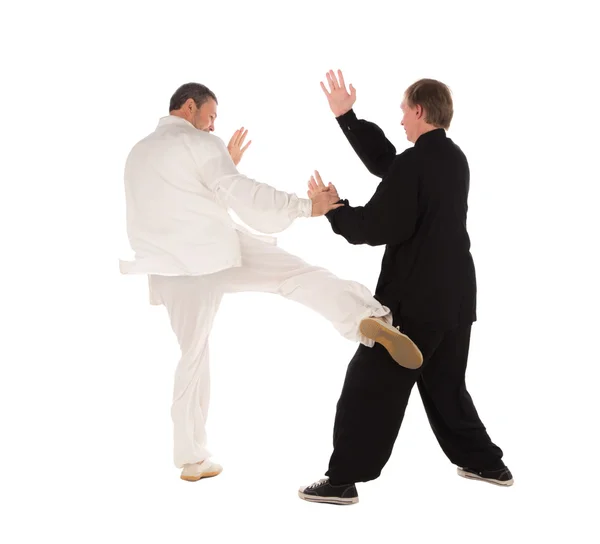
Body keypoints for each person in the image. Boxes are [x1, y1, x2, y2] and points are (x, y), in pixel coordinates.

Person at [119, 82, 424, 483]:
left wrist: (221, 165)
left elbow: (178, 201)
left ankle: (192, 459)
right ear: (189, 107)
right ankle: (369, 318)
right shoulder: (199, 144)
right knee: (295, 276)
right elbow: (239, 193)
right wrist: (304, 206)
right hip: (216, 253)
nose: (212, 127)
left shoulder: (138, 152)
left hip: (168, 269)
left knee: (192, 356)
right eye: (210, 117)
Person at [298, 70, 513, 505]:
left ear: (418, 110)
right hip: (456, 296)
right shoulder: (452, 158)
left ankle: (342, 480)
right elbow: (391, 166)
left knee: (369, 384)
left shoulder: (417, 163)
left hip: (417, 301)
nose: (399, 120)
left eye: (402, 111)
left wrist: (334, 209)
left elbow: (378, 226)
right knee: (444, 383)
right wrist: (347, 117)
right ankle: (486, 462)